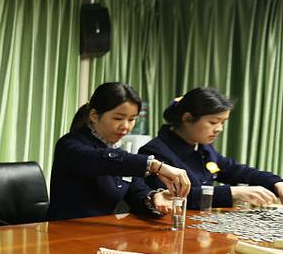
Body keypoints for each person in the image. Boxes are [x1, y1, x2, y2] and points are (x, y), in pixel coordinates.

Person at [139, 87, 283, 210]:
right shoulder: (155, 152)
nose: (219, 129)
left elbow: (238, 171)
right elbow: (171, 197)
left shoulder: (204, 148)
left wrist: (279, 183)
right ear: (187, 118)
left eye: (222, 122)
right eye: (213, 122)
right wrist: (233, 193)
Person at [48, 82, 190, 221]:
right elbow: (103, 160)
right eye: (118, 118)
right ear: (94, 115)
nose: (126, 126)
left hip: (100, 233)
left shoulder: (116, 150)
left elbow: (136, 191)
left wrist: (154, 198)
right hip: (64, 233)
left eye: (132, 119)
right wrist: (156, 166)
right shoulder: (70, 145)